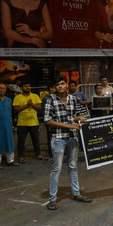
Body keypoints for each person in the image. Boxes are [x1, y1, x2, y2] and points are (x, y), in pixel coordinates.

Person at [43, 75, 92, 210]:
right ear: (54, 87)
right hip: (58, 138)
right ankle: (52, 199)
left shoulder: (72, 99)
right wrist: (71, 126)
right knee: (57, 167)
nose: (60, 86)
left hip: (72, 138)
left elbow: (72, 116)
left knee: (73, 166)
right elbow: (48, 120)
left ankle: (76, 193)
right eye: (57, 84)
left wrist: (79, 118)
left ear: (66, 84)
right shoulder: (50, 99)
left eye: (62, 83)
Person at [13, 80, 44, 163]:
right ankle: (20, 156)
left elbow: (40, 107)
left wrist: (32, 105)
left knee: (36, 139)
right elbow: (16, 109)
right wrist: (26, 105)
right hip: (22, 123)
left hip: (34, 122)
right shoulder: (17, 97)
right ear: (22, 88)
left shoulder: (35, 96)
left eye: (29, 86)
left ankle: (38, 154)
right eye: (25, 86)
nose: (28, 87)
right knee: (21, 141)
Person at [41, 82, 56, 158]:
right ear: (50, 88)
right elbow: (44, 110)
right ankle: (52, 152)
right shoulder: (46, 98)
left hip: (58, 120)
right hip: (50, 120)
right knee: (50, 136)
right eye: (54, 87)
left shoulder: (58, 97)